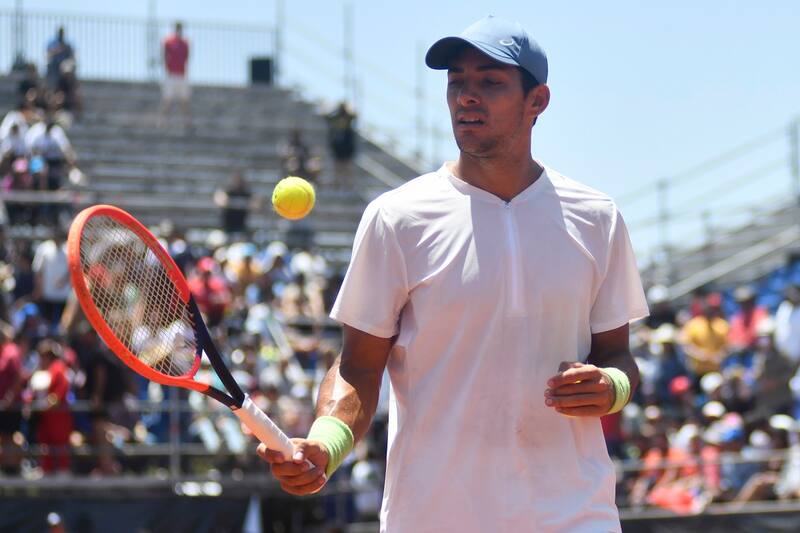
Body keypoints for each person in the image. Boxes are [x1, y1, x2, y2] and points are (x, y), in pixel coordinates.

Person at [258, 16, 648, 532]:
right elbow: (358, 366)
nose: (467, 95)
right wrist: (326, 444)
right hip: (433, 517)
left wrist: (611, 386)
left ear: (538, 102)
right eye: (456, 80)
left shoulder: (598, 216)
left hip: (574, 515)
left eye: (490, 81)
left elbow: (617, 356)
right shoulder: (395, 217)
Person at [159, 22, 191, 128]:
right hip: (171, 74)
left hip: (181, 74)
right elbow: (164, 56)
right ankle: (163, 121)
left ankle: (186, 122)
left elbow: (187, 57)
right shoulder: (168, 41)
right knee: (167, 99)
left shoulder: (185, 43)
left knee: (184, 100)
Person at [45, 27, 74, 94]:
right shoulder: (52, 44)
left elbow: (71, 57)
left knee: (67, 67)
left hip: (64, 65)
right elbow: (48, 55)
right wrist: (57, 50)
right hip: (54, 64)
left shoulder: (67, 45)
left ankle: (68, 89)